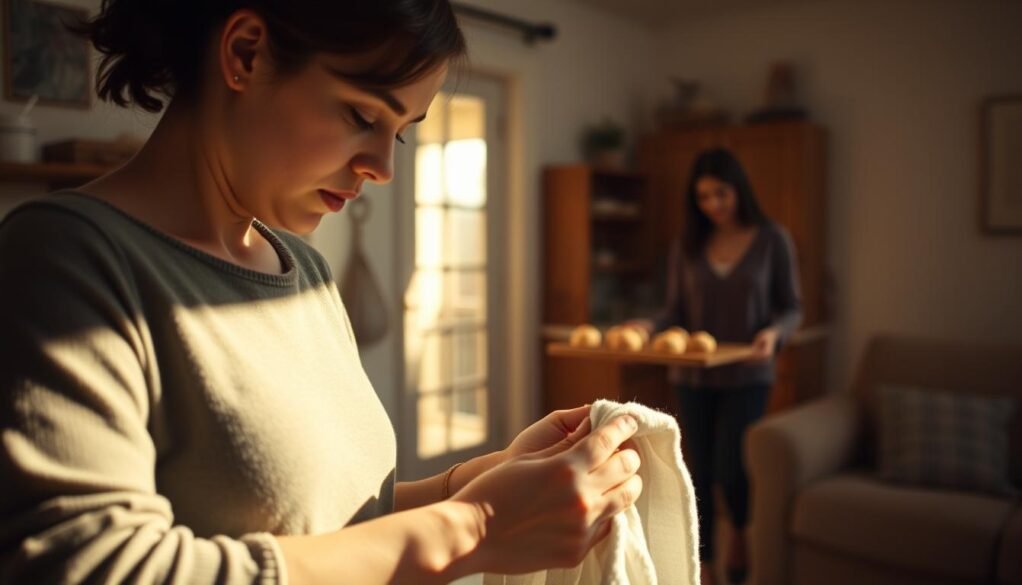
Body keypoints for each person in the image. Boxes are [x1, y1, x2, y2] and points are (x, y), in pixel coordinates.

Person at [0, 2, 645, 583]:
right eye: (363, 115)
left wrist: (471, 485)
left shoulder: (302, 272)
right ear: (245, 54)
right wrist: (472, 527)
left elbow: (326, 528)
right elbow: (89, 564)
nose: (383, 168)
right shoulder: (67, 259)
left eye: (400, 131)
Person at [630, 148, 802, 585]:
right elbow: (673, 312)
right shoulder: (686, 246)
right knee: (697, 471)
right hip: (692, 376)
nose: (713, 205)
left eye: (720, 194)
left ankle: (740, 533)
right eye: (703, 197)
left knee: (732, 467)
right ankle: (703, 565)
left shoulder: (771, 239)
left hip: (748, 375)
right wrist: (647, 325)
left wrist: (773, 334)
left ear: (738, 189)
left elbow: (792, 308)